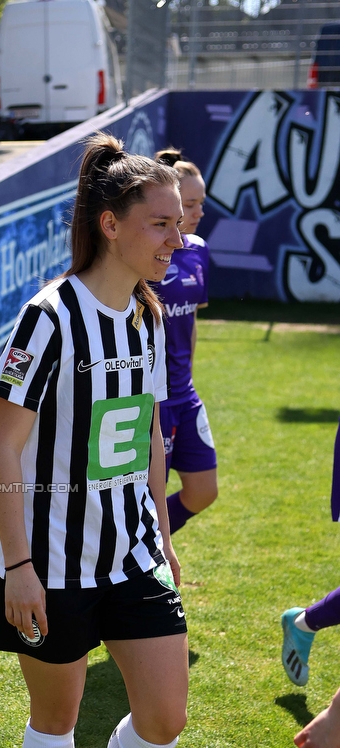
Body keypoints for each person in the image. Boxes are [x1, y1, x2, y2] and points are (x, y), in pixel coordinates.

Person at [0, 133, 189, 748]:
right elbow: (4, 447)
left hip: (132, 551)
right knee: (57, 715)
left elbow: (148, 438)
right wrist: (20, 566)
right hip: (52, 562)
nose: (178, 237)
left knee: (165, 714)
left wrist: (163, 541)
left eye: (179, 223)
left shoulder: (149, 314)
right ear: (112, 223)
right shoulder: (49, 318)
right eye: (162, 223)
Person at [152, 149, 217, 534]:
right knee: (148, 496)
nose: (197, 213)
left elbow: (189, 319)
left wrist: (187, 376)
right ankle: (140, 566)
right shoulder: (145, 253)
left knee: (203, 490)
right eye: (189, 204)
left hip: (185, 395)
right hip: (151, 399)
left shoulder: (199, 251)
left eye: (200, 204)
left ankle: (150, 549)